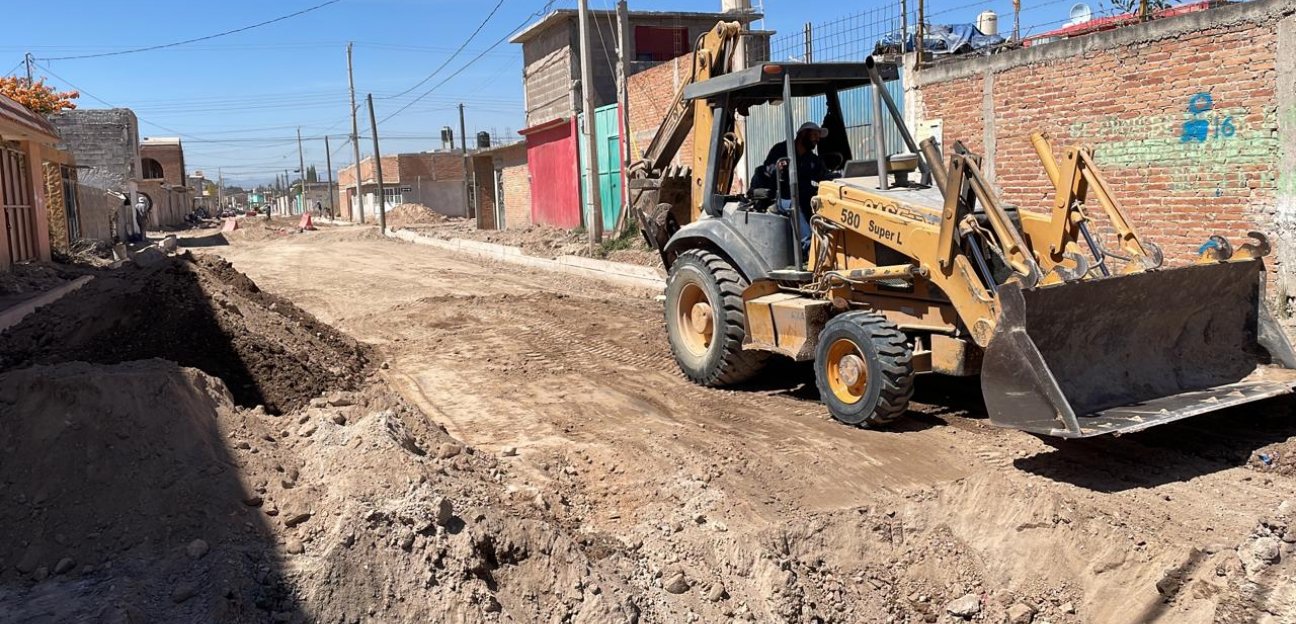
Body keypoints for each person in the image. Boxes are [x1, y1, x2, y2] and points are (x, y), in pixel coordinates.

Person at [757, 121, 830, 252]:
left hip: (803, 195)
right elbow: (767, 170)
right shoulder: (780, 150)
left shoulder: (811, 158)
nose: (817, 139)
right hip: (782, 197)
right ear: (803, 134)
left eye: (818, 136)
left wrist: (838, 177)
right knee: (795, 204)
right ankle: (809, 247)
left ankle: (826, 239)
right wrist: (777, 169)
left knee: (822, 202)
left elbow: (823, 175)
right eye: (815, 135)